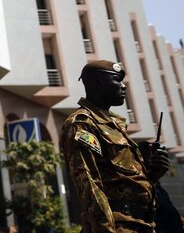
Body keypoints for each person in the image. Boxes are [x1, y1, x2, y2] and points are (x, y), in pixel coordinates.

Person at [60, 60, 170, 233]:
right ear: (98, 83)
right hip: (118, 226)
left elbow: (124, 184)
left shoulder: (115, 126)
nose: (123, 86)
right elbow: (89, 185)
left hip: (142, 225)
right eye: (117, 80)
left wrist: (153, 171)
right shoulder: (82, 124)